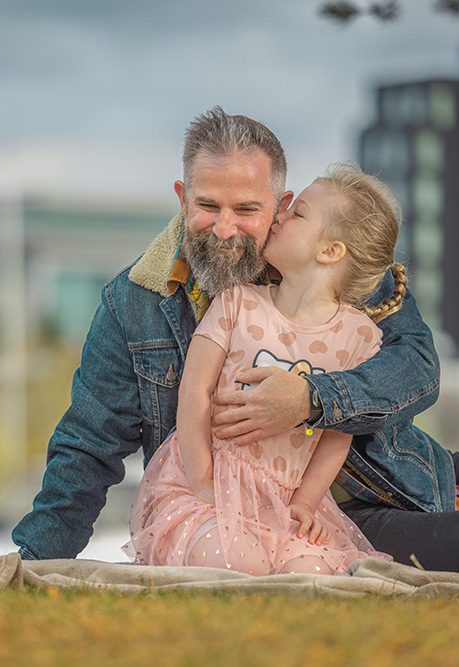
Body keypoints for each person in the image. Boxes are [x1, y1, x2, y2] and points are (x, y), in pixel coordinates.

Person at [12, 107, 459, 585]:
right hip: (316, 519)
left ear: (281, 204)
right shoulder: (136, 303)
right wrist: (29, 564)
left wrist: (312, 397)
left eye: (248, 207)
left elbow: (417, 367)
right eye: (207, 205)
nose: (226, 227)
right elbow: (86, 448)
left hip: (411, 469)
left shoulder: (333, 272)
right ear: (183, 198)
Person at [125, 167, 399, 575]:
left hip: (284, 495)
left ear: (330, 251)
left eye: (299, 213)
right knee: (235, 559)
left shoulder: (357, 337)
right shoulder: (238, 302)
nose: (280, 217)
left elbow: (339, 432)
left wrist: (305, 502)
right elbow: (195, 390)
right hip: (213, 478)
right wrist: (202, 481)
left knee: (312, 572)